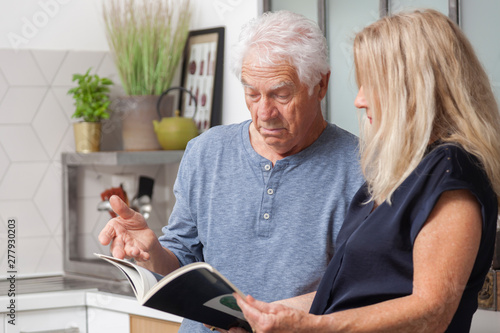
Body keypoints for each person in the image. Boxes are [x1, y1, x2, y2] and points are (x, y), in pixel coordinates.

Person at [232, 9, 500, 333]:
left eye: (370, 84)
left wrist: (313, 327)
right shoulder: (399, 171)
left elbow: (431, 312)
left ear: (412, 89)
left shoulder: (453, 172)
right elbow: (345, 294)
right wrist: (261, 316)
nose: (359, 100)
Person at [98, 10, 364, 332]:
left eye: (281, 94)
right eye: (252, 93)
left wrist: (266, 319)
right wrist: (151, 251)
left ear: (320, 85)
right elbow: (182, 262)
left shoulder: (362, 166)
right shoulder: (206, 151)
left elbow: (361, 289)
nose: (264, 113)